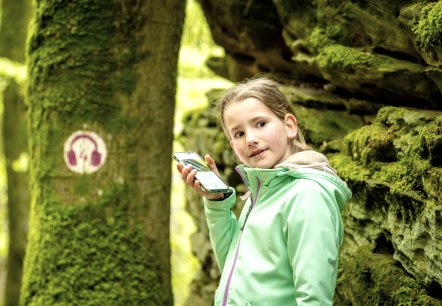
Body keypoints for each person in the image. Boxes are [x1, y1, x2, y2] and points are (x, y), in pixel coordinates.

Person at [176, 77, 352, 306]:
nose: (250, 139)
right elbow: (233, 267)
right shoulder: (264, 189)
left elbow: (314, 299)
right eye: (238, 133)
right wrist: (217, 201)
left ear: (289, 126)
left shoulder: (307, 196)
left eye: (260, 124)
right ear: (232, 146)